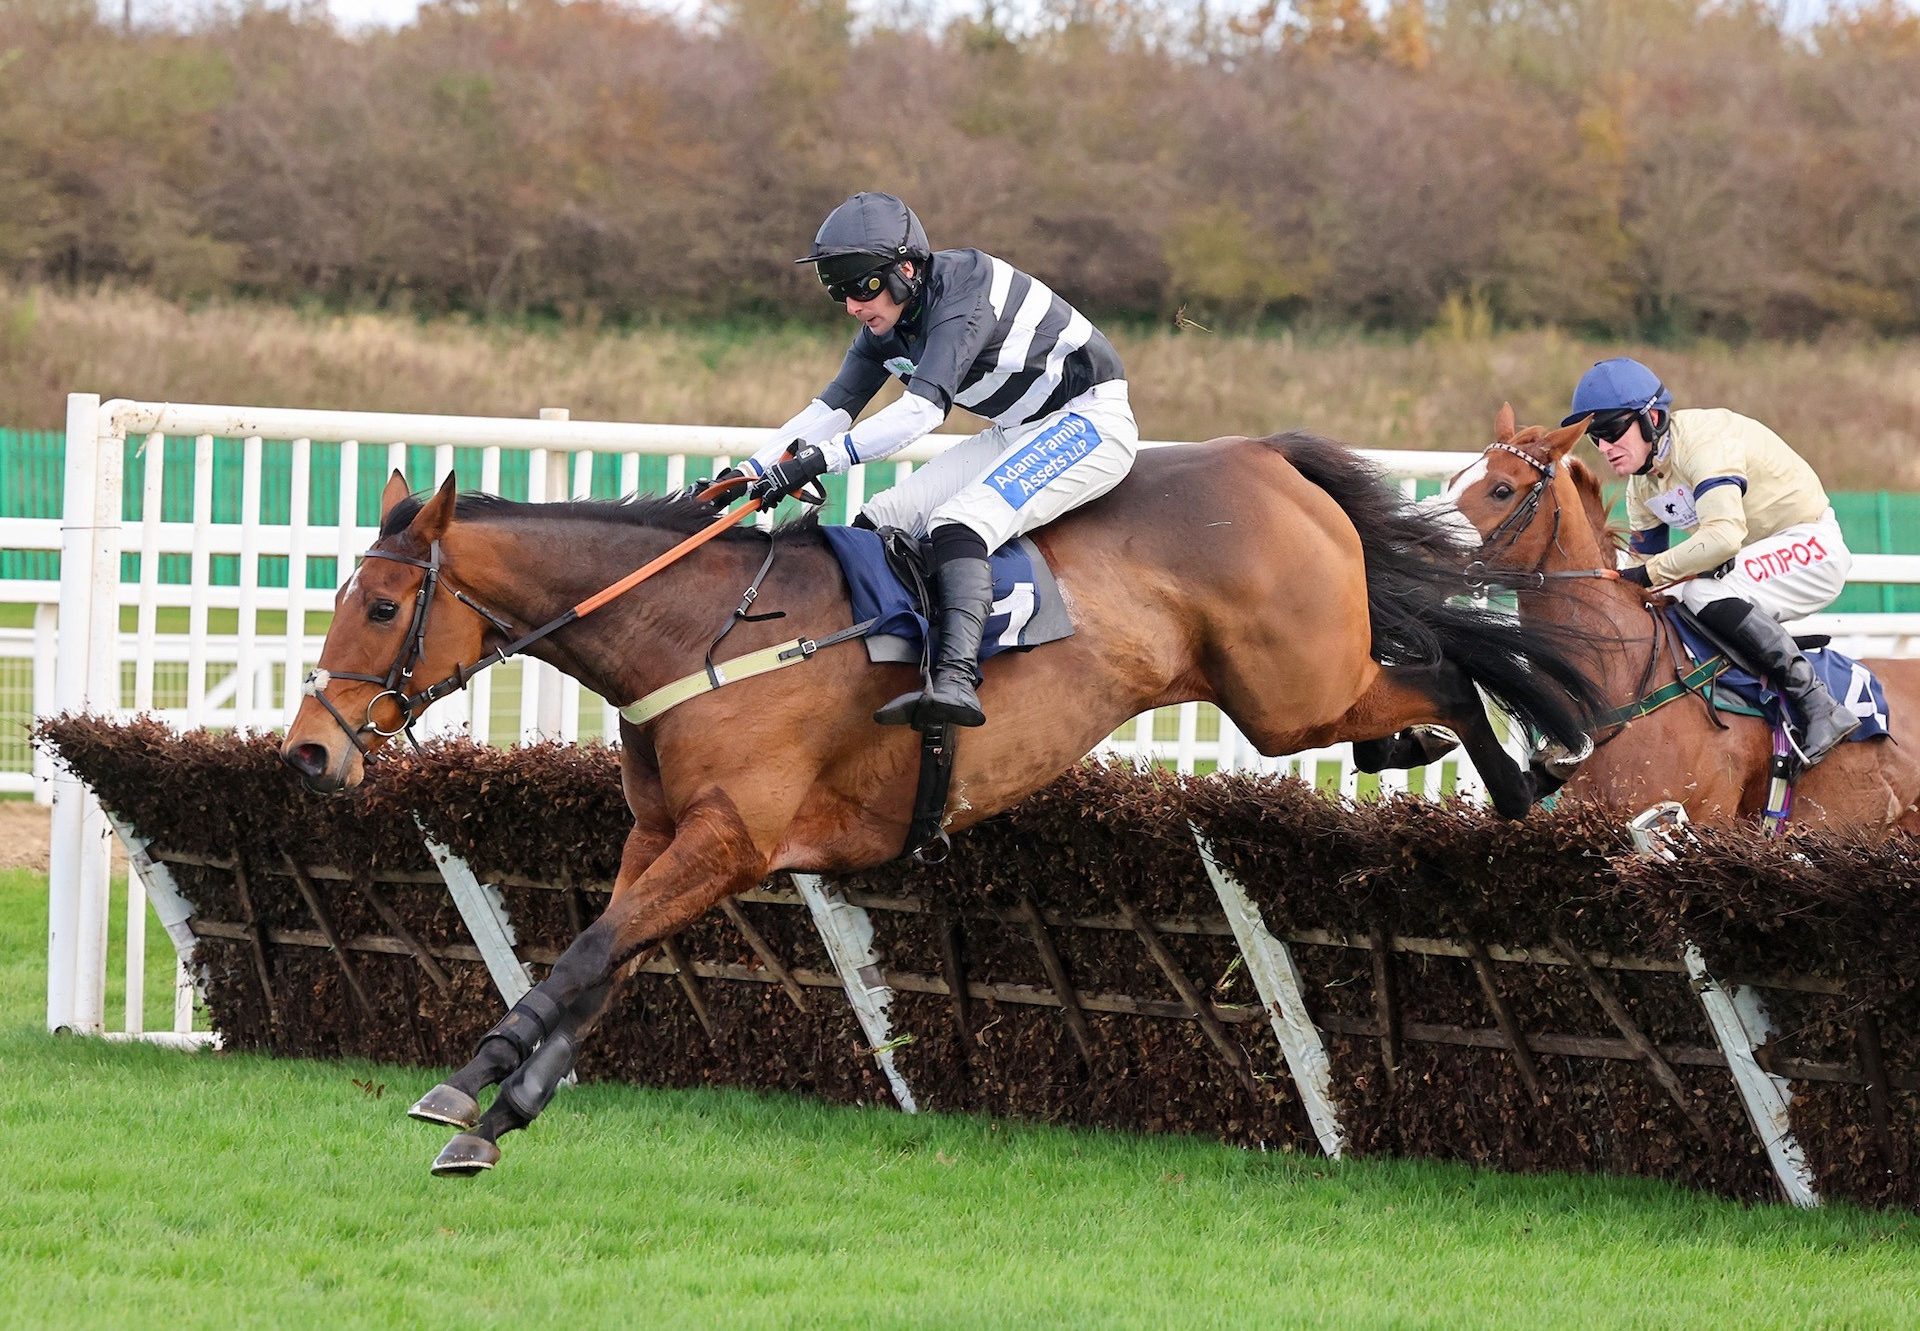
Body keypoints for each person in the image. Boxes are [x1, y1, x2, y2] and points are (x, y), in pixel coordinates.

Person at [741, 191, 1139, 730]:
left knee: (960, 522)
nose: (855, 307)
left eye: (864, 287)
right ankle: (879, 663)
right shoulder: (886, 326)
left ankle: (955, 680)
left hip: (1090, 421)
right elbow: (830, 410)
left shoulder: (965, 291)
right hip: (1018, 430)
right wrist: (748, 470)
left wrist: (817, 462)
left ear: (907, 268)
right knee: (878, 521)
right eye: (841, 294)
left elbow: (922, 412)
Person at [1565, 357, 1860, 764]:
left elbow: (1721, 537)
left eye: (1612, 430)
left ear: (1652, 417)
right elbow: (1647, 573)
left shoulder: (1703, 443)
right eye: (1594, 437)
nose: (1604, 447)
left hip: (1811, 545)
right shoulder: (1641, 486)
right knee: (1679, 596)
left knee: (1699, 590)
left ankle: (1817, 703)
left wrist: (1644, 573)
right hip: (1750, 557)